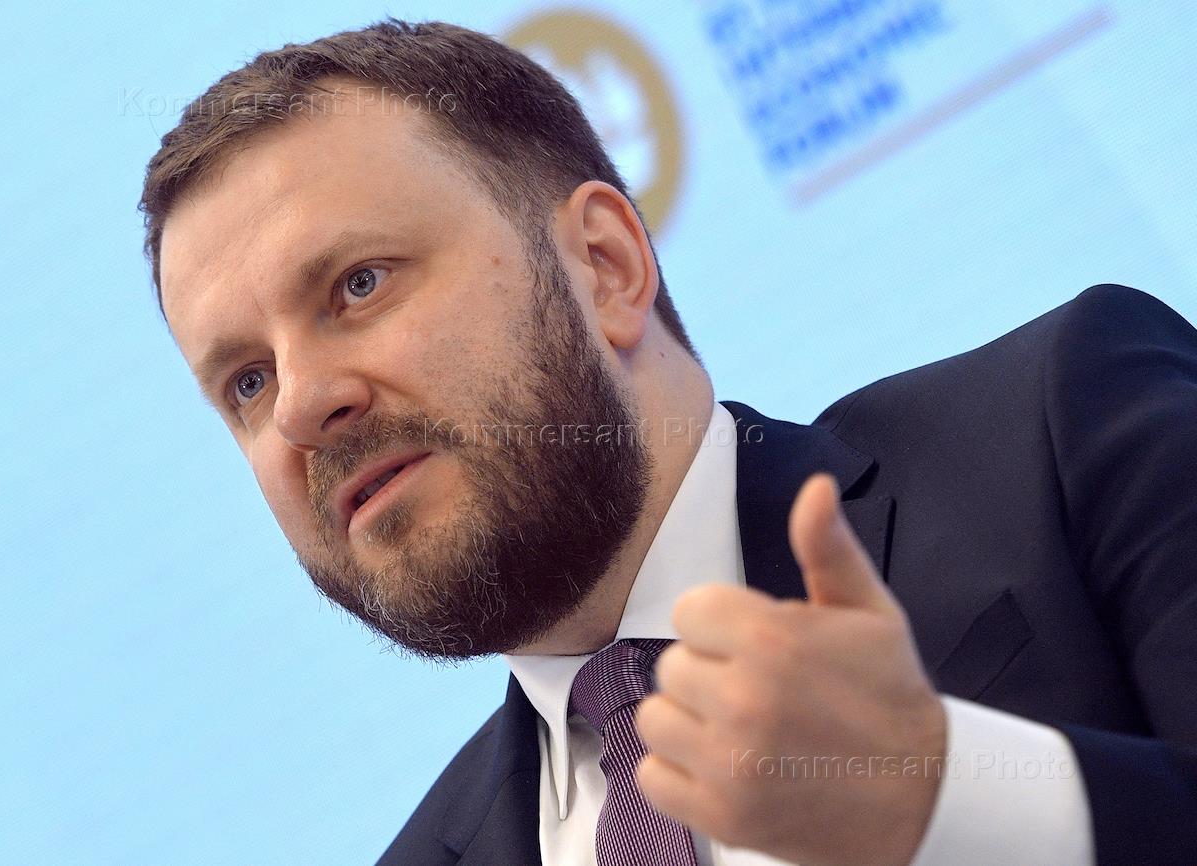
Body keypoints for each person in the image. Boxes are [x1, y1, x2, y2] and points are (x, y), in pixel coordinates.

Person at [139, 18, 1197, 866]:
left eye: (358, 285)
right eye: (247, 381)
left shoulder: (1066, 427)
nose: (300, 406)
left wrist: (947, 792)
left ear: (604, 266)